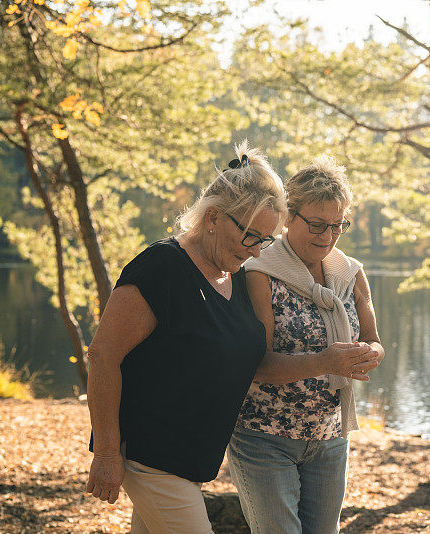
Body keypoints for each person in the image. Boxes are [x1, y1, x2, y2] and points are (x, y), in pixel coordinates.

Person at [84, 142, 377, 534]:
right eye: (250, 236)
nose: (257, 249)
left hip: (191, 460)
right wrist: (106, 452)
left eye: (265, 239)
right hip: (149, 454)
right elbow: (103, 356)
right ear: (213, 217)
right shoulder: (162, 267)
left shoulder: (233, 275)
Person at [229, 155, 385, 534]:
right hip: (263, 439)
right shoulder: (259, 271)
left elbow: (375, 342)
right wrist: (326, 362)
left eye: (337, 226)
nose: (327, 237)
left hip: (330, 438)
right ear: (288, 216)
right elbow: (257, 364)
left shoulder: (350, 273)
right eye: (316, 224)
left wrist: (368, 355)